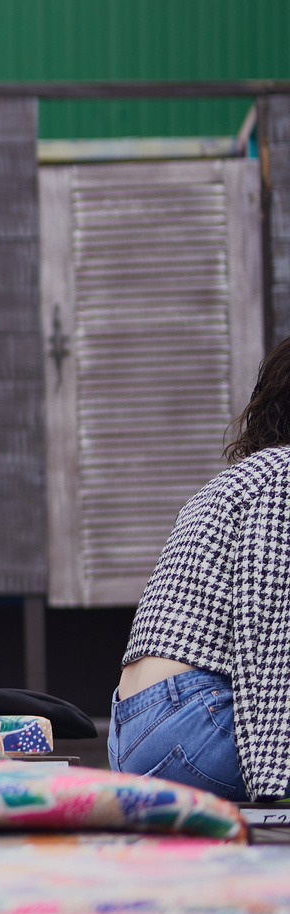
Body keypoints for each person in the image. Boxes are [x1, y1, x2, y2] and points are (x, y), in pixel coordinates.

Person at [111, 338, 290, 804]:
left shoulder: (249, 476)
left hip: (138, 729)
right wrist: (275, 790)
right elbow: (267, 634)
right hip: (191, 724)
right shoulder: (282, 479)